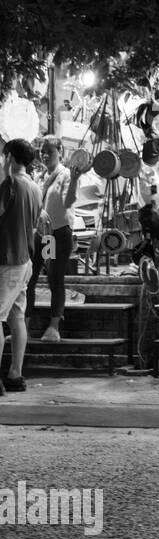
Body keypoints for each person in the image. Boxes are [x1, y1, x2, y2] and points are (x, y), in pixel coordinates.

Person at [25, 137, 81, 343]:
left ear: (60, 151)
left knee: (54, 279)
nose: (45, 155)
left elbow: (68, 202)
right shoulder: (39, 177)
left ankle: (54, 326)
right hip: (41, 235)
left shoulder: (66, 174)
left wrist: (74, 180)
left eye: (49, 150)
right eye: (42, 151)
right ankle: (25, 326)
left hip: (58, 233)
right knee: (29, 279)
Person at [0, 139, 42, 395]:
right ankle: (15, 374)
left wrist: (4, 176)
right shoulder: (36, 188)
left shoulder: (10, 184)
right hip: (25, 260)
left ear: (10, 158)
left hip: (7, 259)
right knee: (16, 317)